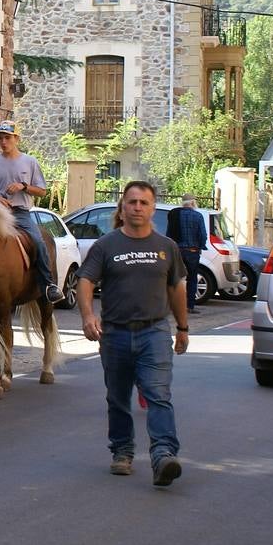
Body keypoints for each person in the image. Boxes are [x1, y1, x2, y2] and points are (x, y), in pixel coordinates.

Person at [76, 180, 189, 488]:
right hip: (115, 335)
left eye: (144, 203)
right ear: (122, 208)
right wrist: (88, 315)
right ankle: (122, 451)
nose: (138, 207)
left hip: (154, 332)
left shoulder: (166, 247)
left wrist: (182, 327)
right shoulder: (106, 246)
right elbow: (85, 281)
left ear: (153, 209)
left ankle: (163, 455)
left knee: (158, 395)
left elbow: (177, 288)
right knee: (117, 398)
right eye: (132, 202)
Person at [0, 120, 64, 304]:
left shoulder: (30, 162)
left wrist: (23, 186)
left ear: (16, 138)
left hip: (20, 214)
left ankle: (48, 285)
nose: (3, 142)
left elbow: (42, 190)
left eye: (7, 137)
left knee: (39, 242)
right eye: (0, 138)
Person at [166, 193, 207, 314]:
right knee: (192, 279)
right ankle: (189, 306)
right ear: (193, 203)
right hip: (193, 252)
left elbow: (169, 234)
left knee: (176, 278)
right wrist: (200, 246)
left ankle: (173, 305)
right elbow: (203, 235)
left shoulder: (175, 215)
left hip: (177, 251)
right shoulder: (198, 216)